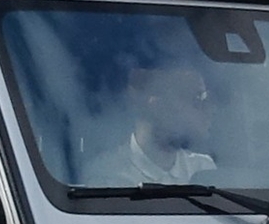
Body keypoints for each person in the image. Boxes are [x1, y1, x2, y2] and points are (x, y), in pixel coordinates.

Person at [79, 63, 218, 185]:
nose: (210, 109)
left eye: (206, 97)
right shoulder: (105, 177)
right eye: (197, 98)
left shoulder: (203, 168)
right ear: (155, 103)